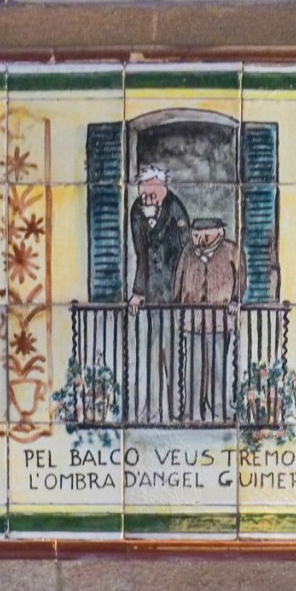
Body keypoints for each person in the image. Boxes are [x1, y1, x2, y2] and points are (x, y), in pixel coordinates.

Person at [127, 164, 190, 421]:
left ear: (162, 187)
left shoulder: (176, 209)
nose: (146, 197)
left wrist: (157, 223)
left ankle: (176, 411)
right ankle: (153, 410)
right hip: (153, 292)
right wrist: (138, 291)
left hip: (173, 292)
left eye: (151, 191)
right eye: (143, 191)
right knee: (153, 352)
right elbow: (141, 253)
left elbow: (184, 250)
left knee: (173, 352)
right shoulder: (137, 211)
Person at [173, 218, 246, 421]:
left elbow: (241, 280)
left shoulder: (232, 251)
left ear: (219, 233)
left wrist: (235, 300)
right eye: (196, 235)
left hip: (220, 320)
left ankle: (219, 408)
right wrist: (179, 302)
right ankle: (193, 410)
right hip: (194, 320)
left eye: (205, 234)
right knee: (194, 366)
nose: (199, 239)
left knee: (218, 366)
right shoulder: (188, 253)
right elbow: (178, 280)